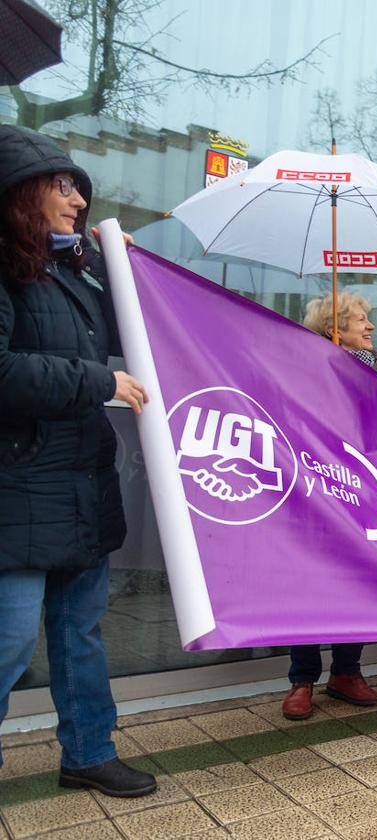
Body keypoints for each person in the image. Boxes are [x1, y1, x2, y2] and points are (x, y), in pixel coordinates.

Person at [0, 125, 157, 797]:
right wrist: (97, 384)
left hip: (80, 487)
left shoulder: (75, 273)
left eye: (79, 189)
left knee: (79, 635)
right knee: (8, 642)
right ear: (18, 193)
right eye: (62, 186)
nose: (76, 200)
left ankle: (89, 752)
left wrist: (125, 269)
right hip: (20, 487)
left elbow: (139, 337)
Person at [282, 291, 377, 720]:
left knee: (358, 579)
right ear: (335, 329)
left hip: (360, 492)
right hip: (316, 490)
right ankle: (303, 680)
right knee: (309, 584)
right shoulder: (304, 370)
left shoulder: (374, 370)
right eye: (360, 320)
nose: (370, 326)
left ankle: (346, 672)